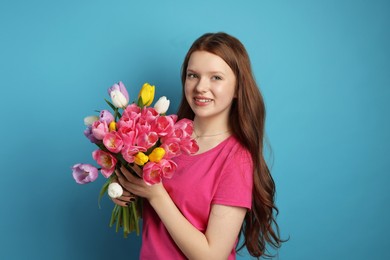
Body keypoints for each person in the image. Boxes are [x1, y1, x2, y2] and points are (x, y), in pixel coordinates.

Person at [112, 32, 283, 259]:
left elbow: (212, 256)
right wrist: (126, 192)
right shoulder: (162, 136)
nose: (201, 86)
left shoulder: (236, 158)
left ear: (238, 88)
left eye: (216, 77)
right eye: (193, 75)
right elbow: (165, 217)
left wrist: (155, 196)